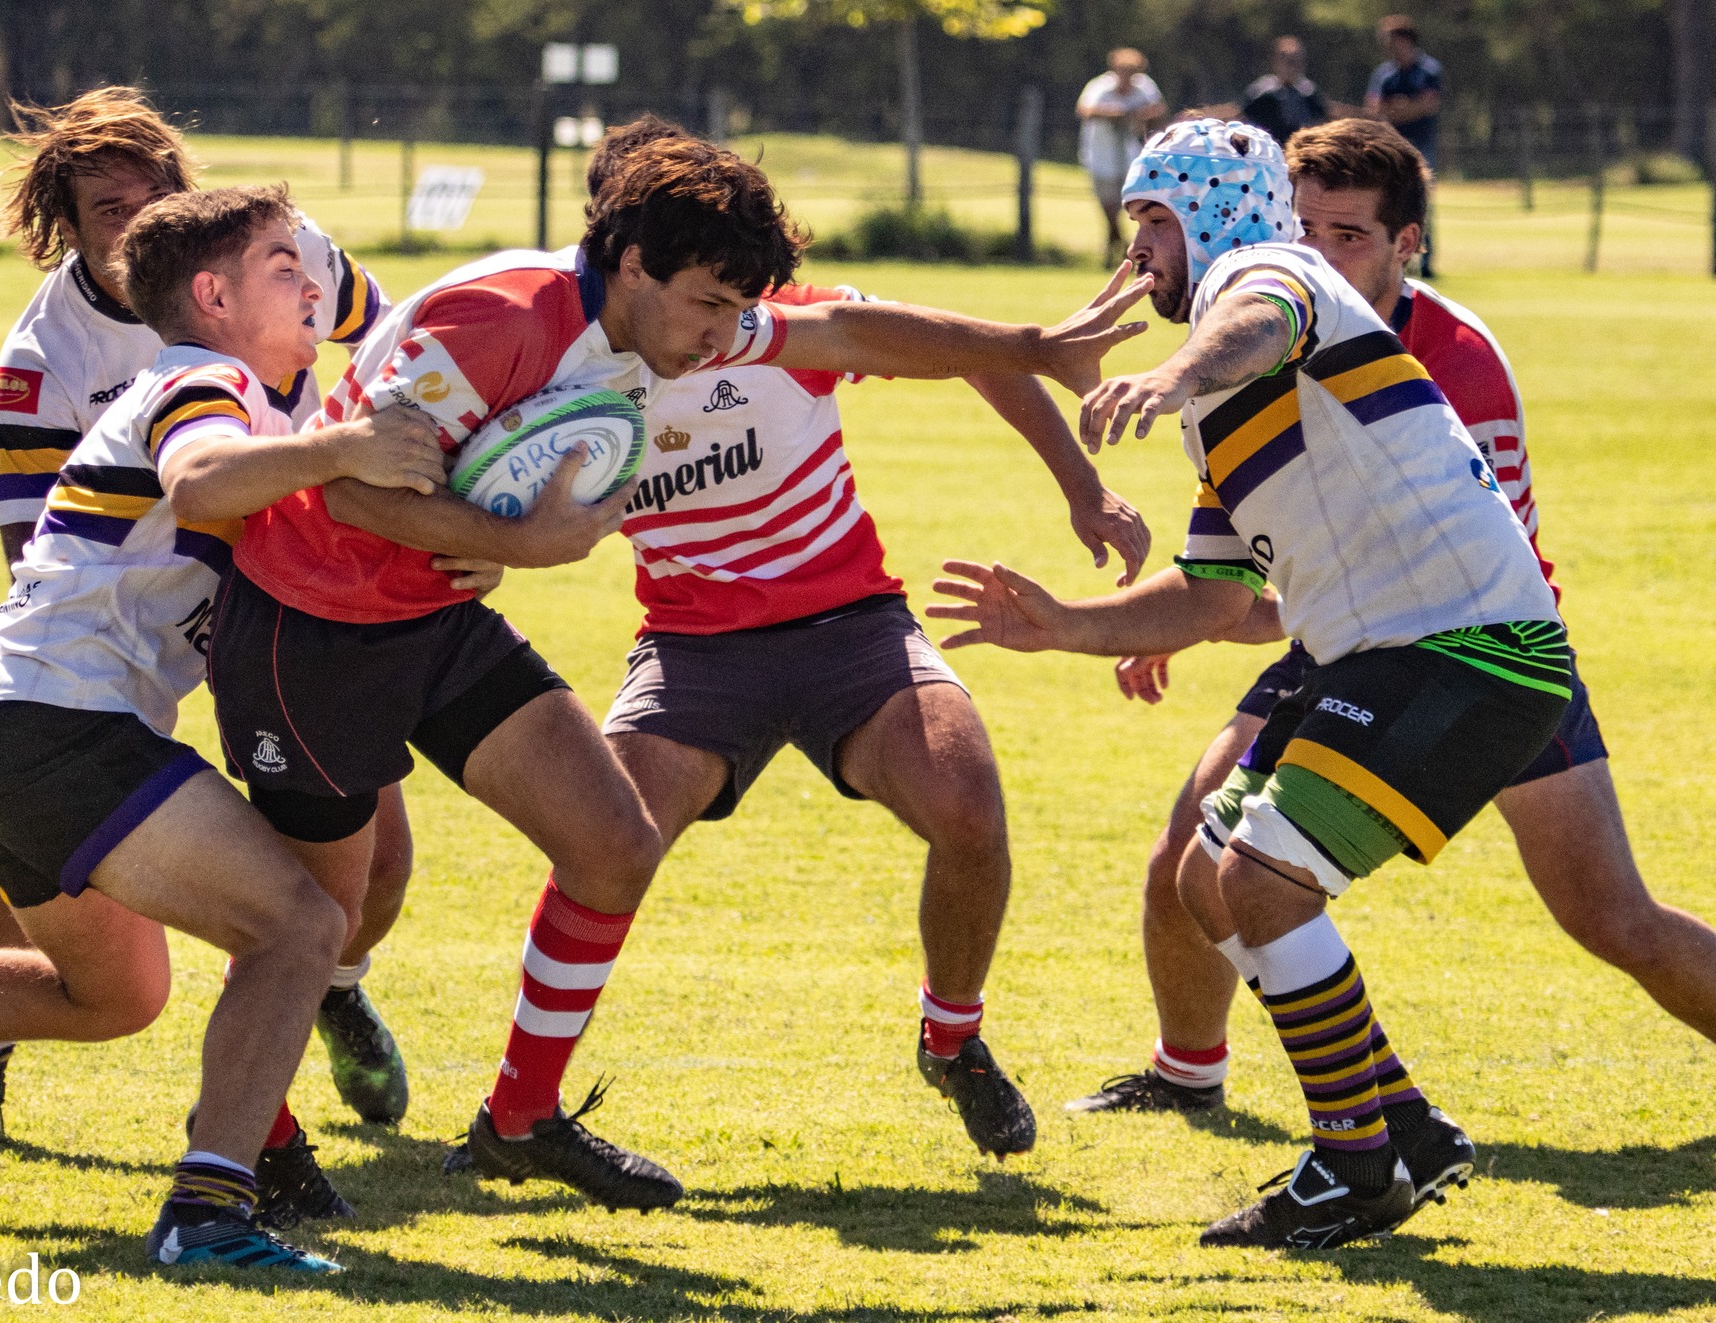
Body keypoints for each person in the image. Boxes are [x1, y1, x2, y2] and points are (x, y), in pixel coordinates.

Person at [209, 134, 1151, 1209]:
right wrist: (519, 543)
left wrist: (1034, 345)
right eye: (706, 304)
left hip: (495, 619)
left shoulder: (690, 326)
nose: (722, 336)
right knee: (310, 922)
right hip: (321, 623)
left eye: (733, 311)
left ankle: (523, 1118)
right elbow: (339, 488)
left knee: (623, 839)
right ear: (632, 262)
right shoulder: (492, 318)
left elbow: (846, 328)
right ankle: (258, 1142)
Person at [0, 186, 453, 1272]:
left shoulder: (266, 410)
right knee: (299, 928)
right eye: (279, 267)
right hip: (61, 731)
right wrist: (346, 447)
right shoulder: (198, 381)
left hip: (3, 738)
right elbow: (201, 476)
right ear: (210, 297)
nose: (312, 282)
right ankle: (209, 1217)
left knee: (115, 997)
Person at [932, 119, 1569, 1248]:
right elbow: (1214, 597)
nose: (1136, 253)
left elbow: (1254, 316)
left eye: (1151, 221)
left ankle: (1350, 1166)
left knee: (1267, 880)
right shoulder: (1222, 408)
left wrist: (1170, 368)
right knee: (1209, 876)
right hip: (1380, 649)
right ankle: (1403, 1126)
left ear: (1209, 210)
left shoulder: (1274, 278)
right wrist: (1061, 627)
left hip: (1467, 645)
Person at [1066, 117, 1716, 1119]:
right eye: (1304, 224)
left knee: (1610, 919)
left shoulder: (1432, 348)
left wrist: (1179, 372)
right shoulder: (1240, 339)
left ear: (1403, 244)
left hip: (1460, 643)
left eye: (1348, 235)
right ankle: (1204, 1074)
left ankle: (1379, 1135)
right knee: (1194, 858)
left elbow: (1439, 555)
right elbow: (1234, 580)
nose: (1316, 250)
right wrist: (1149, 620)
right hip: (1342, 638)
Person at [575, 117, 1149, 1159]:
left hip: (851, 632)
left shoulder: (784, 330)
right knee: (601, 843)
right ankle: (522, 1108)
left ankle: (953, 1038)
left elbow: (980, 356)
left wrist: (1083, 490)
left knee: (967, 808)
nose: (714, 312)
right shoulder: (568, 369)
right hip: (692, 649)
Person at [0, 86, 426, 1171]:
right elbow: (38, 544)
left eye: (156, 199)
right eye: (109, 210)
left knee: (376, 858)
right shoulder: (46, 355)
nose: (136, 223)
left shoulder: (270, 256)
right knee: (33, 826)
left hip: (288, 590)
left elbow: (398, 347)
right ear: (67, 219)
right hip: (125, 640)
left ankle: (327, 995)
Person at [1365, 15, 1442, 275]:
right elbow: (1374, 109)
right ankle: (1398, 259)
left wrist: (1397, 109)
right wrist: (1407, 107)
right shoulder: (1385, 74)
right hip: (1392, 149)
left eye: (1391, 41)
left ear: (1405, 40)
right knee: (1392, 204)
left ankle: (1426, 261)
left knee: (1422, 204)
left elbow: (1429, 105)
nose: (1387, 47)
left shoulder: (1428, 70)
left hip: (1421, 147)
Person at [1077, 49, 1167, 266]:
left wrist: (1139, 115)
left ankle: (1120, 251)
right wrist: (1116, 113)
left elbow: (1158, 110)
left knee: (1133, 204)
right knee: (1108, 206)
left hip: (1130, 156)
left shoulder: (1144, 87)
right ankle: (1120, 242)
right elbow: (1085, 110)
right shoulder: (1099, 87)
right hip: (1100, 155)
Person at [1231, 38, 1340, 146]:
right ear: (1276, 62)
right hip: (1268, 153)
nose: (1293, 67)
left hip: (1301, 152)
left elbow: (1327, 118)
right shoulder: (1261, 93)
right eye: (1288, 62)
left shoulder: (1310, 94)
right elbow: (1237, 115)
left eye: (1297, 62)